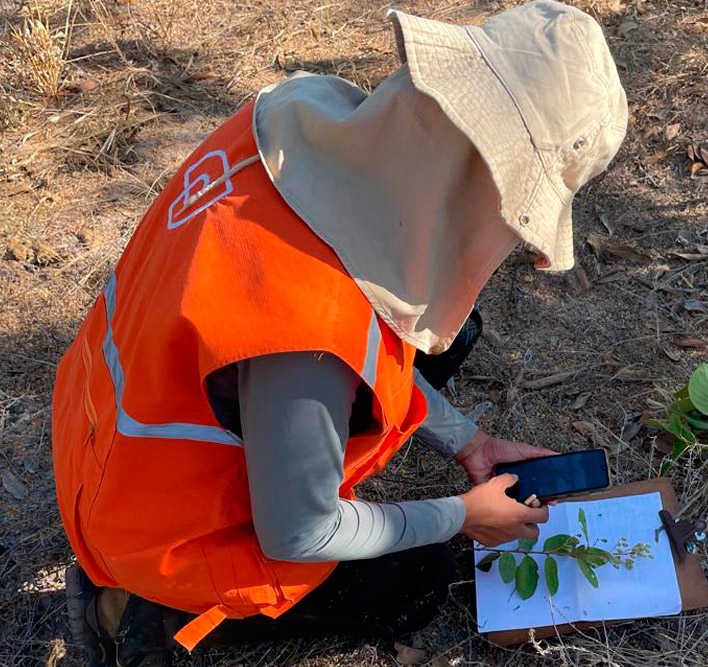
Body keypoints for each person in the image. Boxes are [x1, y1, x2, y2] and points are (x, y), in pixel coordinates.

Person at [51, 2, 628, 665]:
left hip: (99, 427)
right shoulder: (307, 329)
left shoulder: (297, 115)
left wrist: (468, 441)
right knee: (417, 580)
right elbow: (300, 530)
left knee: (450, 332)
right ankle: (139, 605)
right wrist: (459, 514)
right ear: (487, 180)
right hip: (148, 523)